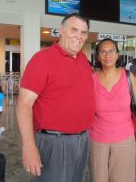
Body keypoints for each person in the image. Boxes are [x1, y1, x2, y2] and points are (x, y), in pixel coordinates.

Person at [16, 13, 95, 182]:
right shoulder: (42, 59)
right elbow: (24, 104)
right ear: (61, 30)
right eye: (74, 30)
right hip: (54, 141)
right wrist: (29, 147)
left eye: (83, 32)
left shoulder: (83, 59)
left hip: (83, 139)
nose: (79, 36)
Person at [89, 38, 136, 182]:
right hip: (97, 140)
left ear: (117, 54)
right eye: (103, 52)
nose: (107, 55)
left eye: (111, 51)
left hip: (124, 140)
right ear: (98, 56)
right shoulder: (91, 79)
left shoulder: (128, 77)